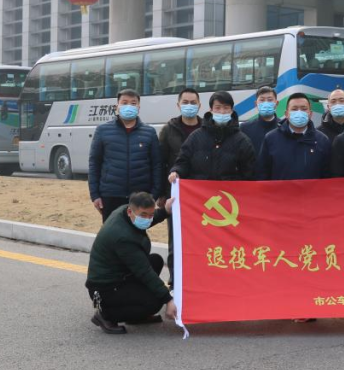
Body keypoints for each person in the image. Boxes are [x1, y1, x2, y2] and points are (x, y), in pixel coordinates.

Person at [86, 191, 177, 335]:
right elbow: (144, 272)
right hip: (105, 288)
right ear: (130, 211)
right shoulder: (122, 238)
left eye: (151, 215)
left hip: (120, 275)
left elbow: (144, 218)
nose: (147, 219)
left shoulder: (124, 212)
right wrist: (168, 300)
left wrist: (165, 211)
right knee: (154, 302)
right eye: (143, 215)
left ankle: (136, 315)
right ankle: (106, 315)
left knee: (155, 260)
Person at [88, 89, 163, 223]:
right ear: (117, 106)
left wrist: (154, 194)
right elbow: (94, 163)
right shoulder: (102, 131)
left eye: (133, 103)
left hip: (140, 197)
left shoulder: (149, 132)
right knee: (112, 233)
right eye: (124, 103)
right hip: (110, 195)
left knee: (137, 233)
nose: (129, 106)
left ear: (139, 107)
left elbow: (157, 165)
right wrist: (95, 195)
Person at [157, 88, 202, 272]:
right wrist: (161, 193)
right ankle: (175, 279)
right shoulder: (169, 130)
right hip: (175, 194)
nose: (189, 106)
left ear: (199, 105)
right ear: (178, 105)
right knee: (176, 238)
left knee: (200, 238)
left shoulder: (206, 128)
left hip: (201, 195)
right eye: (185, 102)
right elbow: (160, 163)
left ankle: (198, 275)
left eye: (193, 103)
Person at [169, 90, 257, 183]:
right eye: (217, 108)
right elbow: (183, 161)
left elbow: (249, 174)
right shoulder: (195, 137)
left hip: (229, 191)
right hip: (200, 191)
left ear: (231, 110)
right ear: (211, 110)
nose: (222, 112)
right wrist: (177, 172)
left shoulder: (242, 141)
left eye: (226, 108)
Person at [257, 92, 333, 180]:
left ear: (310, 114)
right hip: (280, 189)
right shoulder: (271, 139)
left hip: (313, 189)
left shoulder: (322, 140)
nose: (299, 112)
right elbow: (262, 173)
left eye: (304, 109)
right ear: (286, 114)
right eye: (294, 109)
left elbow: (327, 176)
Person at [240, 85, 280, 156]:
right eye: (262, 100)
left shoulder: (284, 127)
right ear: (256, 104)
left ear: (276, 104)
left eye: (270, 100)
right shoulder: (245, 128)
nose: (266, 103)